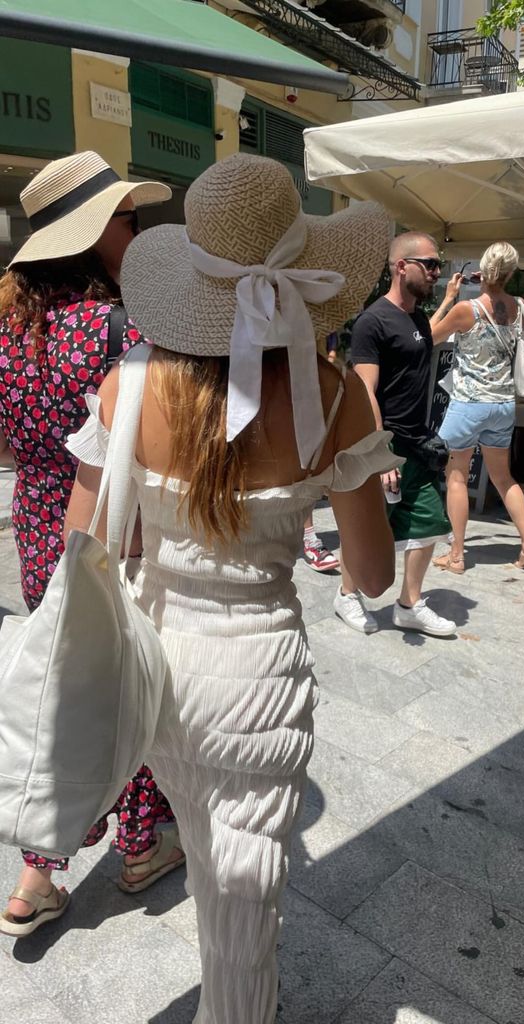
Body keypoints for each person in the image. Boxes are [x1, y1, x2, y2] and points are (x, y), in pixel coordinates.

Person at [63, 153, 397, 1023]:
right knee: (243, 904)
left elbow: (82, 546)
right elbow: (372, 577)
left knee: (217, 876)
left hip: (158, 671)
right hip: (259, 681)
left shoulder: (126, 388)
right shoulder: (337, 399)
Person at [0, 152, 184, 938]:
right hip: (118, 534)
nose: (136, 226)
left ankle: (35, 874)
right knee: (124, 689)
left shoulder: (6, 331)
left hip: (40, 529)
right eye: (124, 216)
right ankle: (142, 847)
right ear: (92, 234)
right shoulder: (119, 329)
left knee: (64, 689)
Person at [337, 231, 461, 637]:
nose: (436, 272)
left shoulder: (418, 319)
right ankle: (346, 594)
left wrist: (453, 307)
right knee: (368, 527)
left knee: (428, 524)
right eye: (429, 264)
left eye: (437, 265)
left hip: (419, 444)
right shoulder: (372, 321)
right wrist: (379, 453)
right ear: (401, 267)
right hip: (386, 444)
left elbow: (423, 348)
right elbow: (364, 391)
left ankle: (408, 604)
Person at [430, 241, 524, 571]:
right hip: (503, 405)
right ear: (510, 273)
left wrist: (450, 296)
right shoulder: (519, 306)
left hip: (468, 405)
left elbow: (429, 337)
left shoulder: (467, 309)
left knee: (456, 476)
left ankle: (456, 555)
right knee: (504, 478)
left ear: (483, 268)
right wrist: (491, 283)